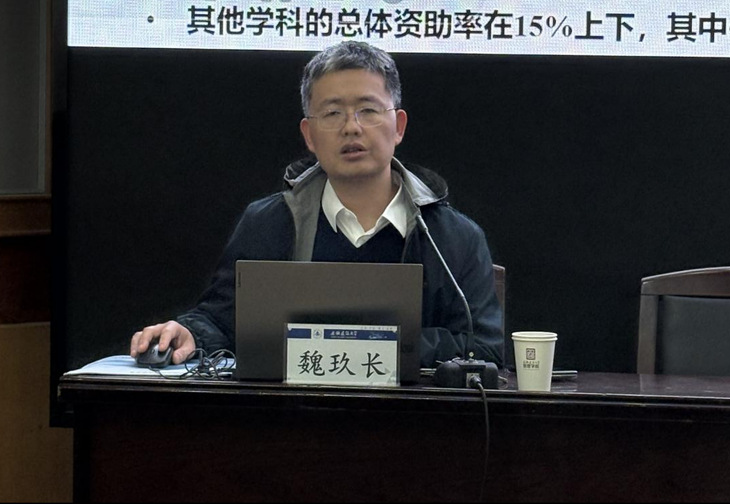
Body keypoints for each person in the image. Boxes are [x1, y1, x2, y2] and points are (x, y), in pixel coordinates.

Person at [130, 40, 503, 370]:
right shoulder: (269, 223)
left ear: (399, 126)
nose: (351, 127)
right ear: (309, 135)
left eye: (368, 110)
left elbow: (485, 348)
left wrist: (373, 344)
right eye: (332, 113)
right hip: (292, 417)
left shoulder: (452, 236)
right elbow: (222, 320)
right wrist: (190, 333)